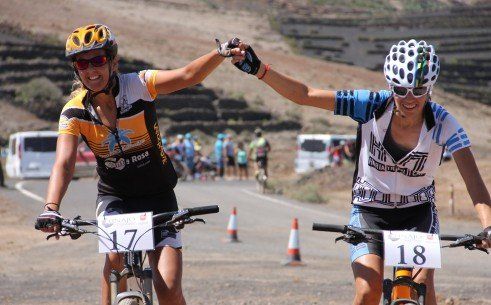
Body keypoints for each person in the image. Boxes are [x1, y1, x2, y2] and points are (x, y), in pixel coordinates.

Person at [231, 39, 491, 305]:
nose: (410, 99)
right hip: (370, 211)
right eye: (401, 90)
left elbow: (475, 185)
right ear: (391, 86)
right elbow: (305, 95)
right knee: (368, 292)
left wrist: (488, 227)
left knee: (421, 286)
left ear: (430, 88)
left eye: (419, 90)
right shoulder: (370, 106)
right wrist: (259, 69)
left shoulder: (445, 124)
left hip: (417, 214)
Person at [34, 24, 245, 305]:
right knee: (114, 260)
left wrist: (219, 54)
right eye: (82, 63)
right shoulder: (73, 111)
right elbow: (64, 163)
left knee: (168, 289)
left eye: (98, 60)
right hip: (115, 197)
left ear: (113, 61)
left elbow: (187, 75)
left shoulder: (140, 86)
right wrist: (51, 209)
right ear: (76, 70)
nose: (91, 69)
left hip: (158, 196)